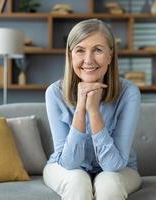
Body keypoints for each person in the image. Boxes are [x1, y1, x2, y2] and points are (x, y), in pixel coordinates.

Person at [43, 18, 141, 200]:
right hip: (63, 167)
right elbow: (69, 163)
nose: (88, 60)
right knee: (77, 180)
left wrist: (94, 112)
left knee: (109, 182)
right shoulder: (54, 93)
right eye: (80, 50)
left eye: (97, 50)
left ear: (110, 55)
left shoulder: (128, 93)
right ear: (70, 55)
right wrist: (81, 108)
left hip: (120, 170)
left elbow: (114, 164)